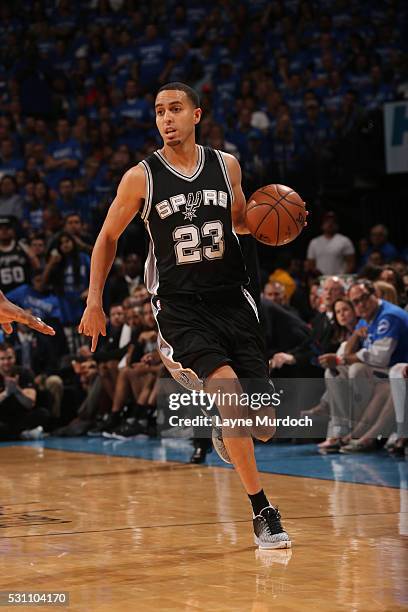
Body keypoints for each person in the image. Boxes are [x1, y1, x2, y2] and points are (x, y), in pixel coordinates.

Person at [79, 81, 300, 549]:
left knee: (264, 425)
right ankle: (263, 510)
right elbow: (106, 239)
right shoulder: (141, 177)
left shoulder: (227, 166)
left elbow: (240, 220)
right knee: (228, 389)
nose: (166, 118)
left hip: (233, 300)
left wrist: (275, 221)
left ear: (196, 114)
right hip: (181, 306)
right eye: (159, 111)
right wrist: (94, 301)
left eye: (175, 109)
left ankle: (227, 426)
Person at [306, 211, 355, 275]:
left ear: (337, 225)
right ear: (322, 225)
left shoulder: (345, 241)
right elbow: (311, 264)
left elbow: (351, 262)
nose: (330, 224)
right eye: (327, 221)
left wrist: (342, 277)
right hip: (321, 280)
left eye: (333, 221)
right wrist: (316, 275)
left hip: (339, 281)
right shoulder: (314, 242)